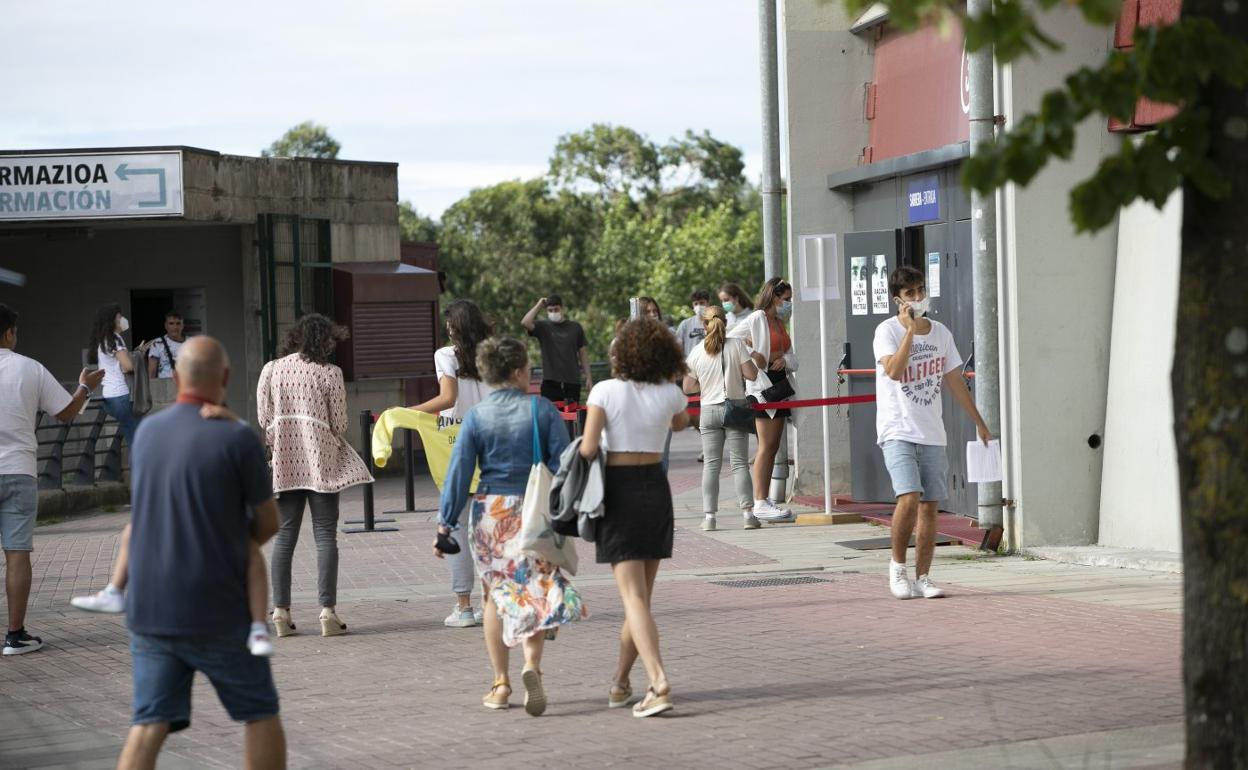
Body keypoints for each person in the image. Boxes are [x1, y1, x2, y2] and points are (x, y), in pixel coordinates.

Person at [116, 335, 286, 770]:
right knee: (259, 711)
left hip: (150, 607)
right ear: (225, 378)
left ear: (176, 379)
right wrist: (231, 541)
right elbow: (268, 523)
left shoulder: (148, 433)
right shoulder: (236, 437)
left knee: (148, 722)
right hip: (219, 608)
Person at [433, 336, 585, 716]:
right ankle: (532, 665)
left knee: (493, 597)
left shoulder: (478, 416)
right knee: (534, 590)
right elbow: (563, 463)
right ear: (518, 372)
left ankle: (500, 683)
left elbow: (458, 474)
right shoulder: (542, 409)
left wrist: (445, 524)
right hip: (534, 511)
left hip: (490, 513)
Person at [581, 318, 690, 718]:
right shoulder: (670, 393)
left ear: (622, 353)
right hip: (656, 490)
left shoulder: (605, 390)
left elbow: (589, 447)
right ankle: (620, 682)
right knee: (640, 599)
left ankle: (658, 682)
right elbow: (681, 422)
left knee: (633, 599)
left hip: (618, 489)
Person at [875, 266, 991, 600]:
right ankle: (897, 568)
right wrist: (909, 332)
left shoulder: (941, 333)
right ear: (899, 300)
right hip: (897, 428)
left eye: (921, 290)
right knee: (908, 497)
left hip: (932, 431)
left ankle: (923, 576)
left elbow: (955, 380)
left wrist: (979, 423)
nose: (918, 297)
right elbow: (895, 372)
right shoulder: (886, 331)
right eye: (910, 293)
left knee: (929, 506)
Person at [260, 313, 373, 639]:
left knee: (284, 537)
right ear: (325, 340)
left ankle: (281, 612)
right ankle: (327, 613)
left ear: (295, 337)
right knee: (325, 535)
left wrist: (281, 439)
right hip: (322, 461)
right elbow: (339, 423)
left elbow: (264, 418)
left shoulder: (272, 370)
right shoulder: (330, 373)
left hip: (285, 464)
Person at [0, 304, 103, 655]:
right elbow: (65, 413)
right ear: (10, 333)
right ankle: (15, 636)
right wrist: (85, 388)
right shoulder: (29, 368)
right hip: (19, 471)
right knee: (17, 553)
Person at [411, 299, 494, 629]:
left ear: (456, 327)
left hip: (456, 444)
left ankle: (463, 606)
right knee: (488, 527)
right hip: (492, 439)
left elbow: (447, 399)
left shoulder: (446, 355)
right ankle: (493, 602)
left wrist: (406, 411)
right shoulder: (494, 353)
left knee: (456, 525)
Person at [683, 306, 760, 532]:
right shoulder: (735, 345)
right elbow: (752, 374)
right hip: (734, 408)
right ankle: (748, 514)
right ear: (725, 322)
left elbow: (687, 387)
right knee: (739, 464)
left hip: (708, 411)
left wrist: (706, 386)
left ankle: (709, 518)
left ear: (704, 324)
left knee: (711, 465)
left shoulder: (697, 351)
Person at [728, 277, 798, 521]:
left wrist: (783, 359)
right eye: (786, 299)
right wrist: (754, 355)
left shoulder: (779, 322)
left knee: (773, 446)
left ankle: (764, 498)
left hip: (779, 383)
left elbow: (791, 356)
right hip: (762, 387)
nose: (788, 304)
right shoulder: (757, 318)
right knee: (766, 446)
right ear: (774, 297)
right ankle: (759, 500)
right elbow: (731, 338)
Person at [87, 303, 148, 448]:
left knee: (132, 437)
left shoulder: (104, 340)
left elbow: (118, 364)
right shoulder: (115, 339)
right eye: (119, 317)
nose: (123, 320)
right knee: (137, 442)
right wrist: (138, 355)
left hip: (110, 397)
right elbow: (127, 367)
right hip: (121, 395)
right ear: (112, 320)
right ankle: (139, 470)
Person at [521, 294, 593, 407]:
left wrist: (588, 377)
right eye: (550, 310)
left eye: (556, 309)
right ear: (546, 311)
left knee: (572, 417)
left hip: (572, 381)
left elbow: (583, 354)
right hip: (550, 382)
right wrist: (540, 304)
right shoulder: (543, 327)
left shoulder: (575, 327)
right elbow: (525, 322)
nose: (554, 312)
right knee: (550, 416)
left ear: (562, 308)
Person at [146, 310, 185, 380]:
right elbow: (152, 371)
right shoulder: (157, 343)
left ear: (182, 325)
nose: (175, 327)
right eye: (171, 323)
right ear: (166, 325)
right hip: (165, 387)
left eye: (178, 323)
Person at [674, 289, 711, 357]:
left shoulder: (716, 323)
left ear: (708, 303)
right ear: (692, 306)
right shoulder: (685, 324)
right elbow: (677, 347)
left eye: (702, 303)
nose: (699, 306)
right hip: (690, 365)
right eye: (696, 304)